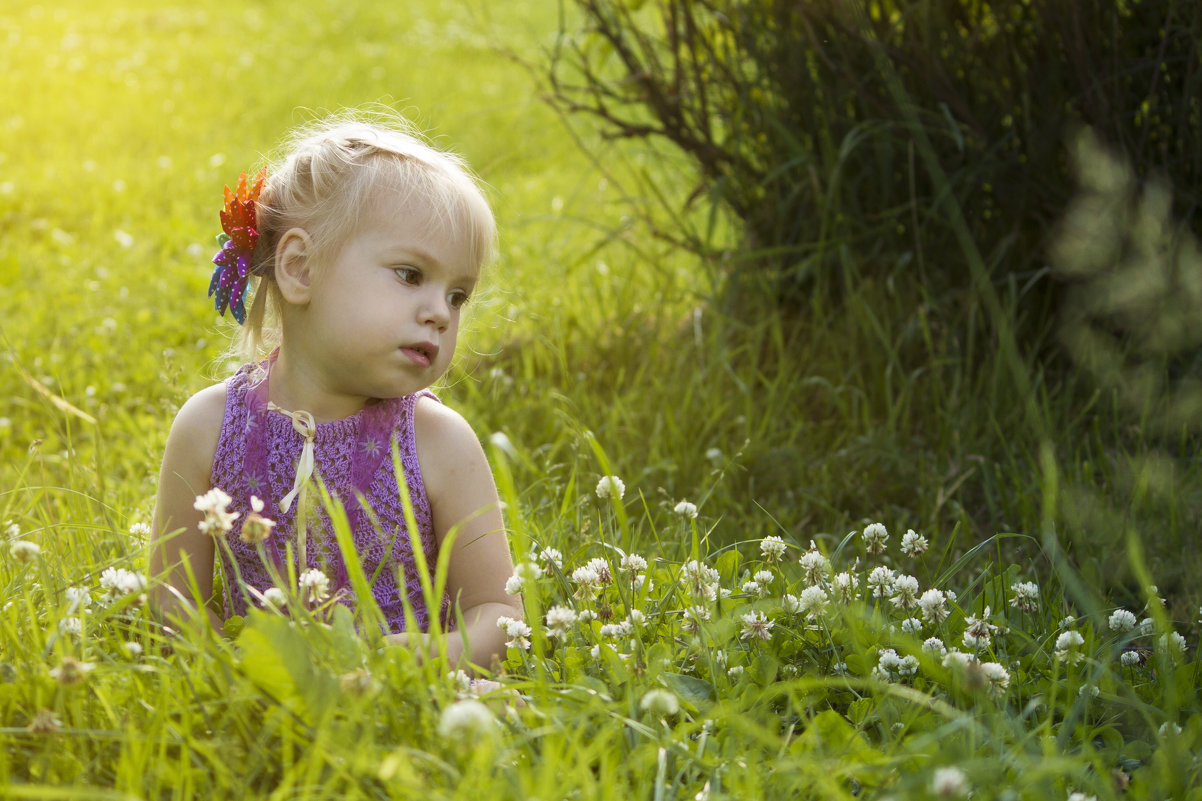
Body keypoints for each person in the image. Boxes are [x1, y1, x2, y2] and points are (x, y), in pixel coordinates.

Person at [149, 111, 519, 671]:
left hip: (409, 704)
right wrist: (244, 674)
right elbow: (172, 615)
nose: (440, 313)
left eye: (458, 295)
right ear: (300, 268)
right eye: (411, 275)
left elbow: (501, 613)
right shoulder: (208, 428)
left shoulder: (437, 442)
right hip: (270, 703)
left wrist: (429, 658)